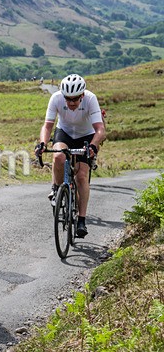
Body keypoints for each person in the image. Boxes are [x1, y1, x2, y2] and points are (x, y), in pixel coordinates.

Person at [34, 74, 106, 238]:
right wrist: (43, 143)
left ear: (82, 95)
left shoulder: (90, 99)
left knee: (81, 176)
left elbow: (100, 129)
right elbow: (47, 126)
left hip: (86, 135)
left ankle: (81, 220)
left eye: (75, 99)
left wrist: (93, 145)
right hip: (64, 133)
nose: (71, 102)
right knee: (58, 157)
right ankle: (57, 189)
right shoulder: (56, 98)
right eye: (68, 99)